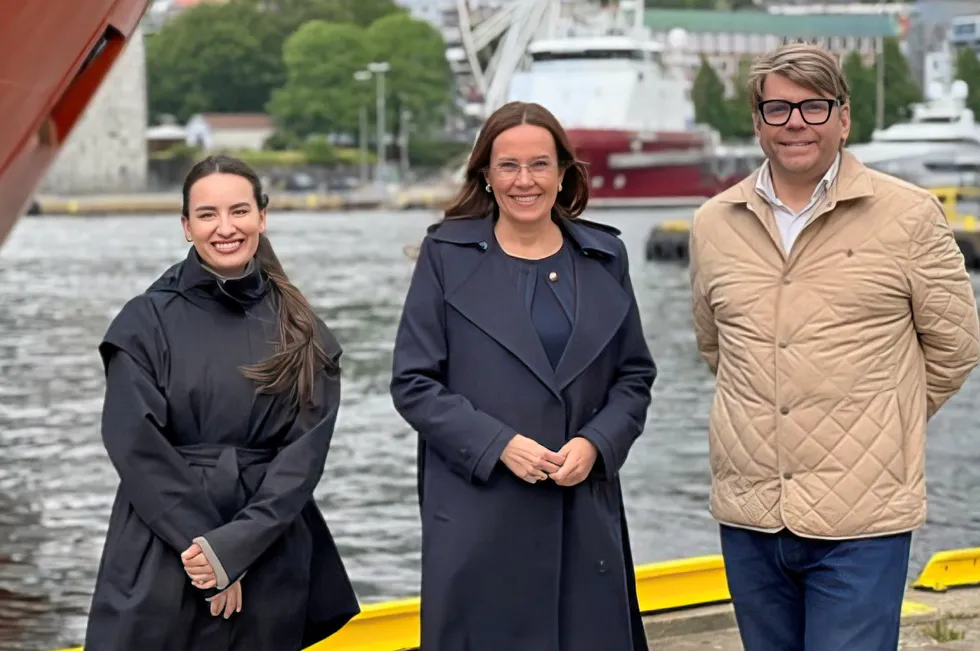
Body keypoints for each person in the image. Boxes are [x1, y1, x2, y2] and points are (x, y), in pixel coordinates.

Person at [689, 42, 980, 651]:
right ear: (757, 120)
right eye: (778, 109)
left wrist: (879, 418)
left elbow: (956, 346)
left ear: (843, 118)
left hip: (862, 518)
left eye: (815, 107)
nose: (795, 123)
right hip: (749, 513)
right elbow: (717, 348)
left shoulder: (909, 215)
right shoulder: (714, 223)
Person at [389, 100, 657, 651]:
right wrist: (500, 445)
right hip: (478, 514)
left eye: (539, 164)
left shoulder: (606, 257)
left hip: (583, 511)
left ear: (563, 173)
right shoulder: (445, 255)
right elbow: (414, 383)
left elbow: (634, 376)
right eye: (508, 165)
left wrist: (597, 444)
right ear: (486, 175)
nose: (524, 180)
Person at [84, 155, 360, 651]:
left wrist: (235, 549)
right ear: (186, 226)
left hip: (268, 545)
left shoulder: (302, 329)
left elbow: (302, 460)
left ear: (262, 217)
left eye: (239, 211)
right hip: (164, 541)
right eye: (208, 215)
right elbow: (134, 444)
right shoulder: (145, 321)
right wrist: (207, 551)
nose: (225, 228)